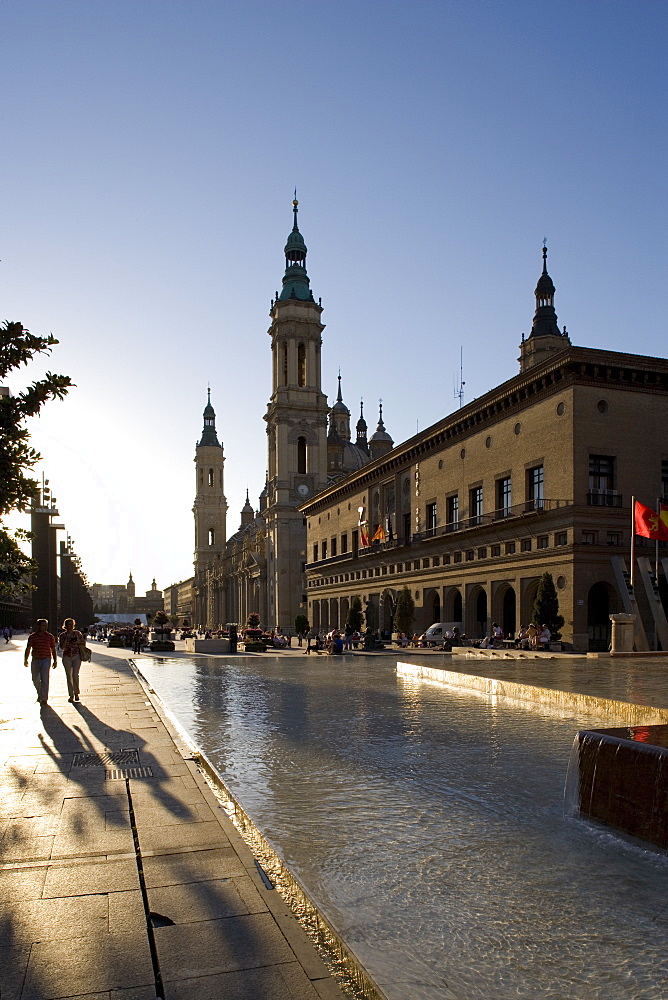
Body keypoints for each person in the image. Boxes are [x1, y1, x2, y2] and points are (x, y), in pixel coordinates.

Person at [24, 619, 58, 704]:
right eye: (43, 625)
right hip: (35, 659)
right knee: (35, 679)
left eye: (46, 625)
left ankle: (44, 698)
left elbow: (53, 649)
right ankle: (40, 693)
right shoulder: (32, 637)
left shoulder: (50, 636)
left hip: (46, 659)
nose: (45, 627)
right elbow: (28, 648)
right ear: (38, 626)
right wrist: (26, 659)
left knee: (45, 679)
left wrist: (55, 660)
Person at [59, 618, 86, 703]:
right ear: (65, 626)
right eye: (68, 624)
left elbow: (83, 643)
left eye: (72, 624)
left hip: (76, 656)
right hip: (66, 656)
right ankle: (71, 695)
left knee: (75, 674)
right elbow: (61, 647)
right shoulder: (62, 635)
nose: (70, 626)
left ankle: (76, 693)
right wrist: (67, 640)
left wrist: (76, 642)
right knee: (68, 676)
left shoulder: (77, 633)